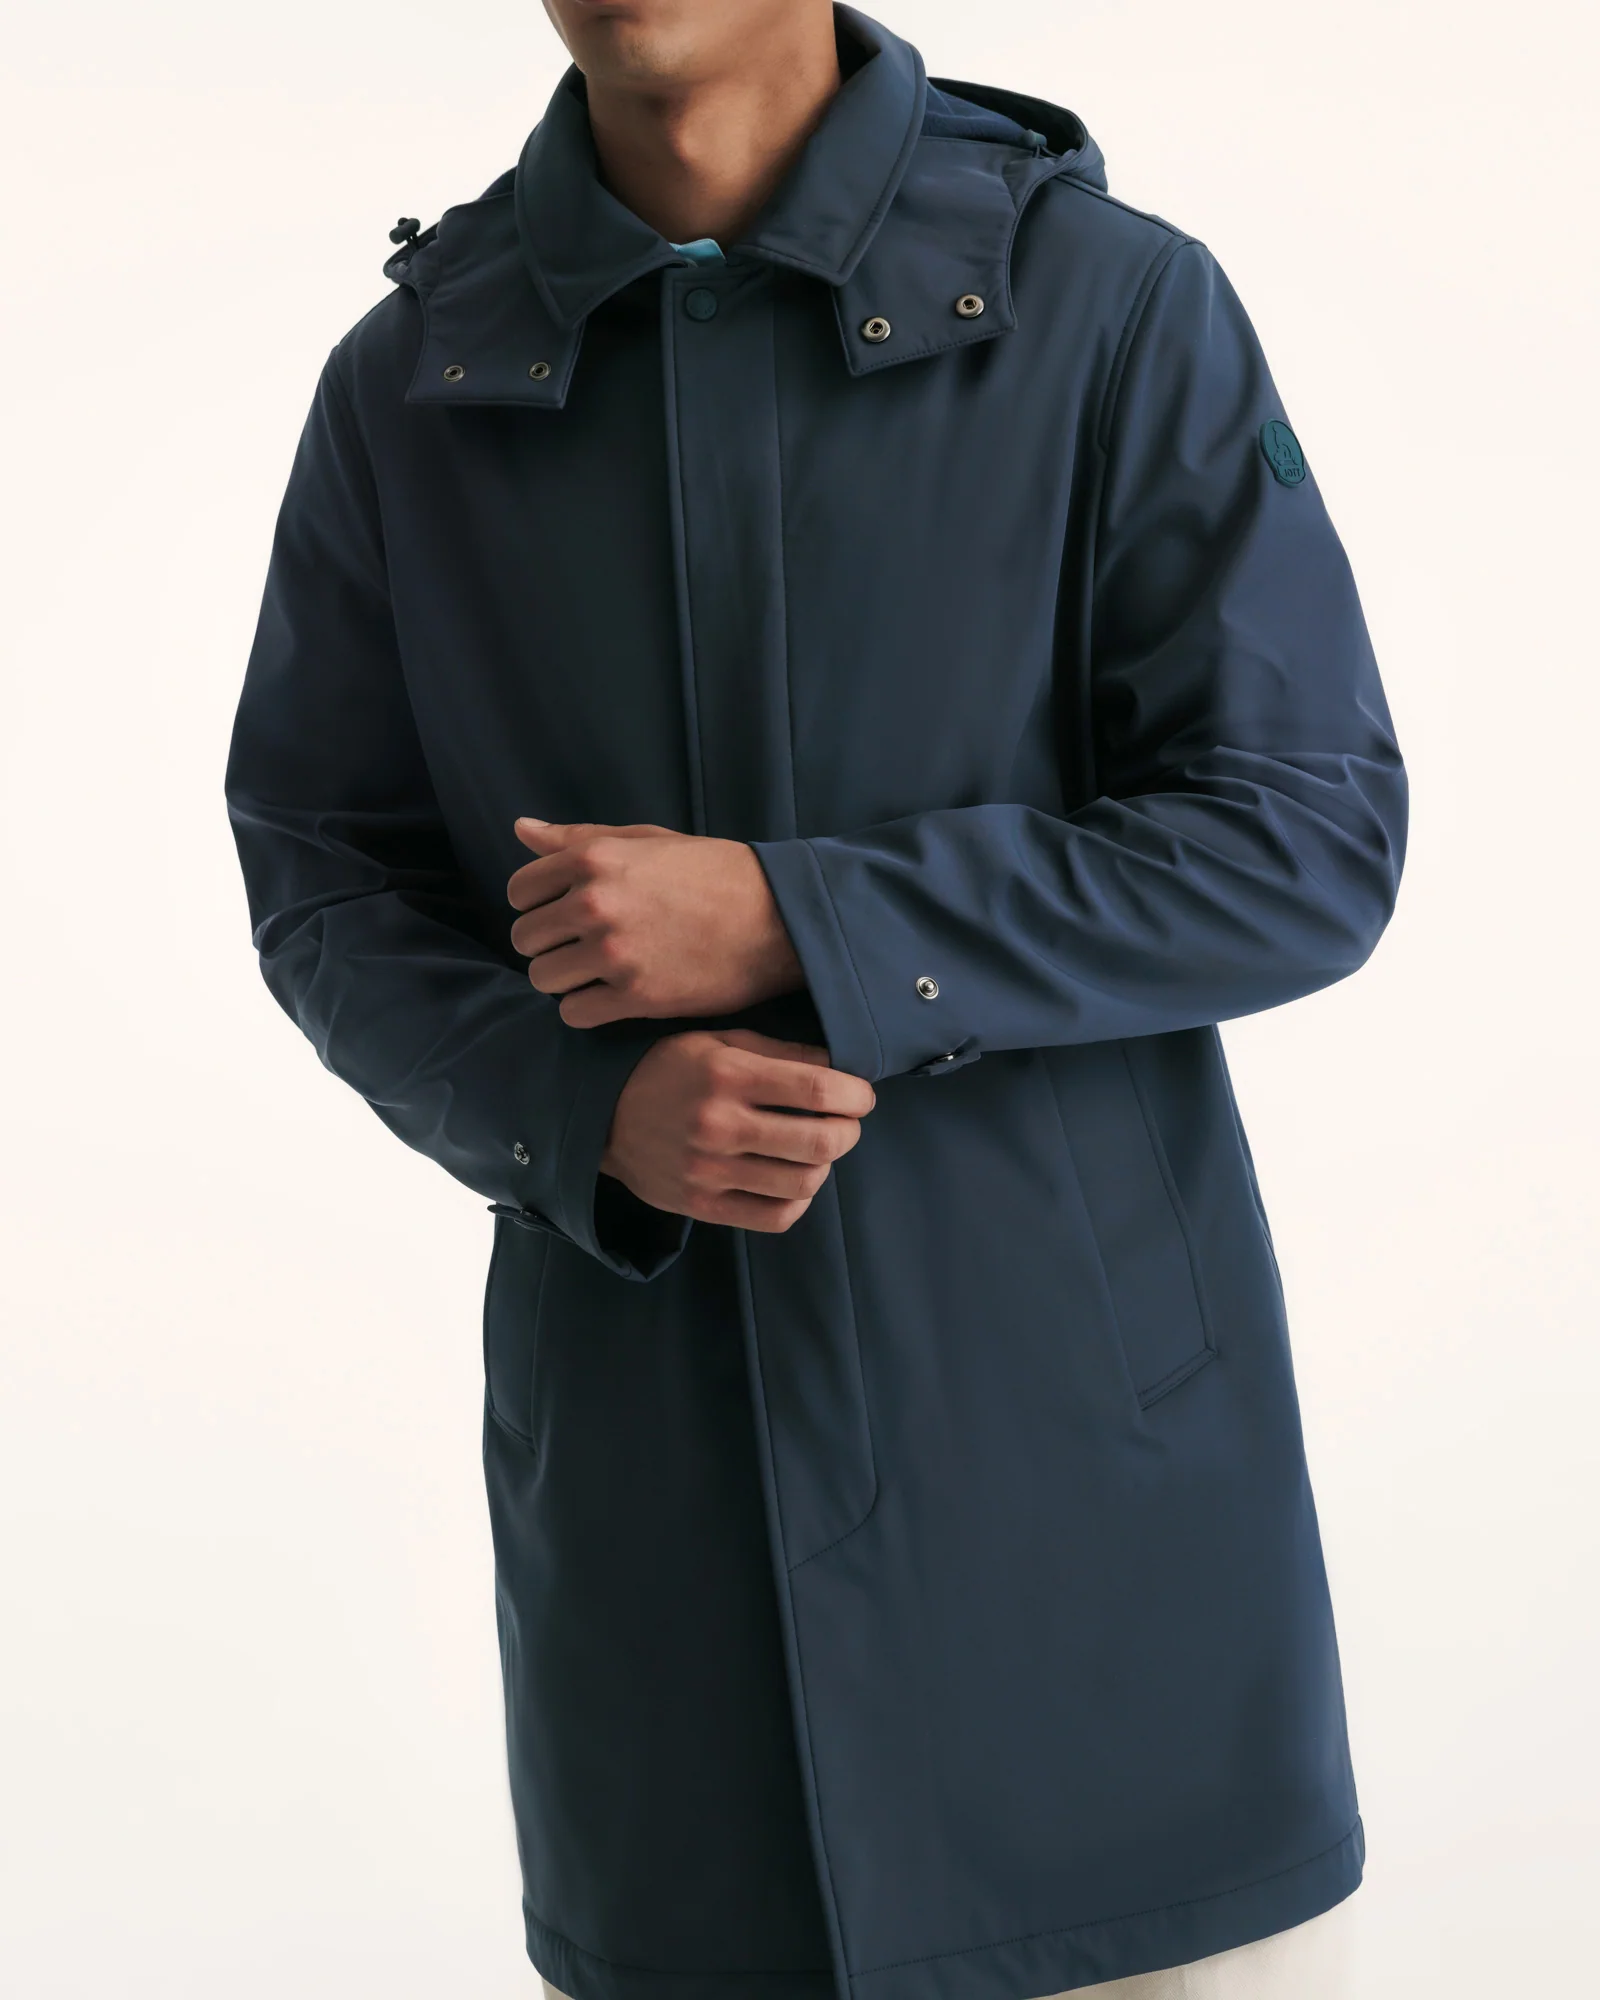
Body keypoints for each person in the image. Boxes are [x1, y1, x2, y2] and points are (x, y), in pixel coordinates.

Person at [223, 4, 1407, 1996]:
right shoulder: (411, 382)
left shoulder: (1109, 309)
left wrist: (807, 920)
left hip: (1102, 1594)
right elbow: (322, 866)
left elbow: (1302, 834)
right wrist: (576, 1112)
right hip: (661, 1614)